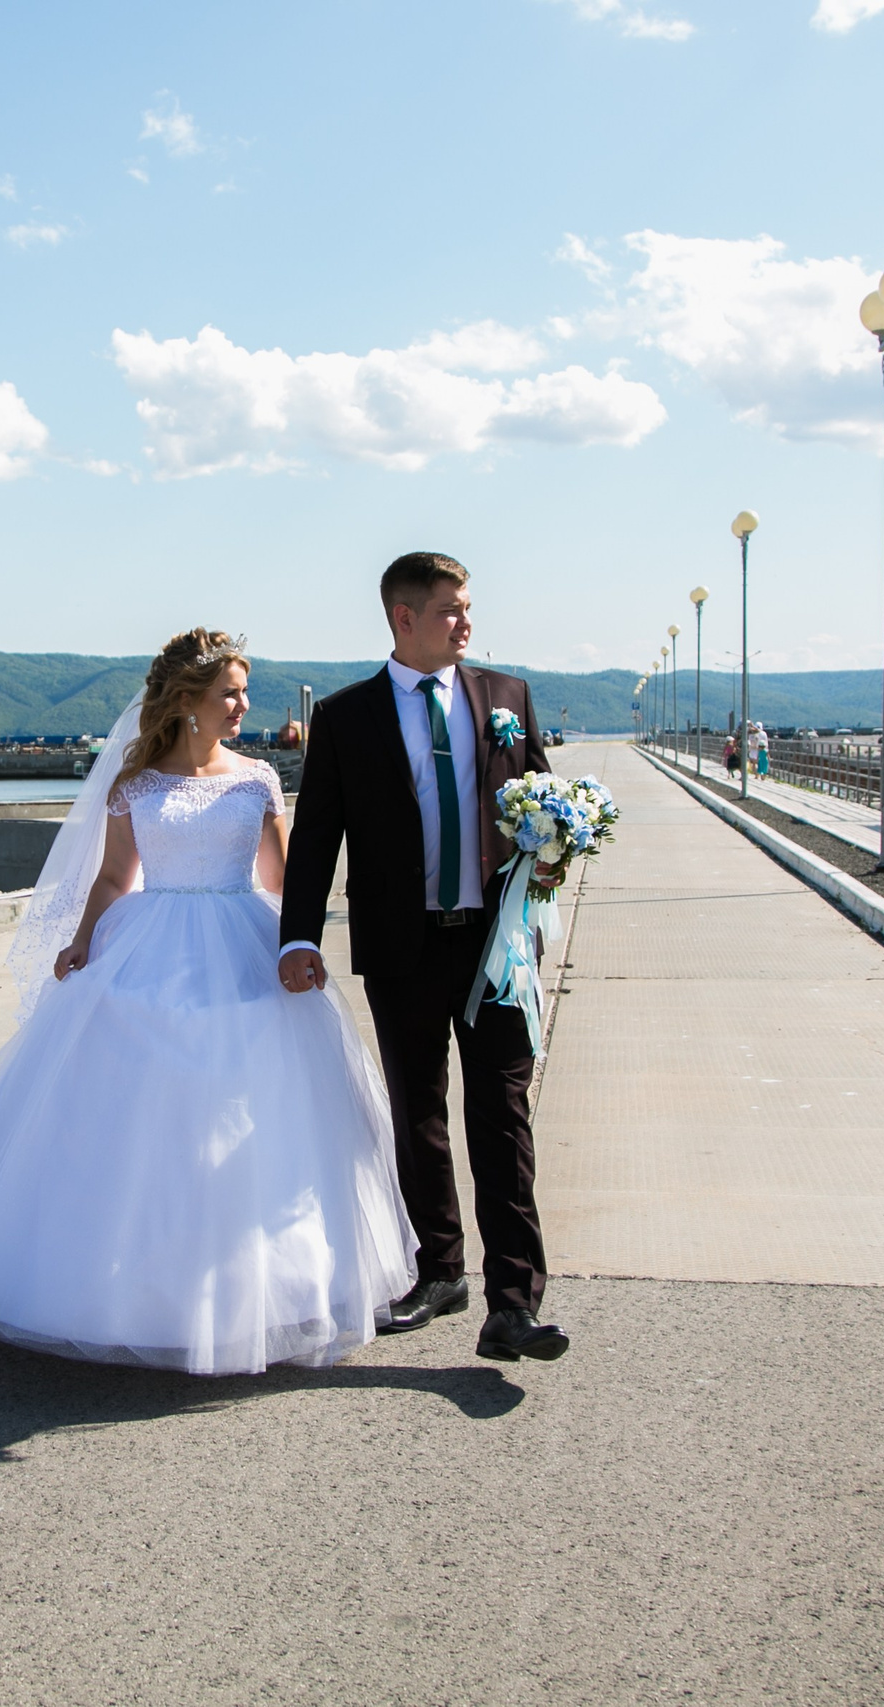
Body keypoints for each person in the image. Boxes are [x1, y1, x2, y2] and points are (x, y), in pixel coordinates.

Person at [0, 629, 416, 1375]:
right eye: (230, 693)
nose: (243, 706)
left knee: (244, 1110)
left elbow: (286, 884)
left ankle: (256, 1290)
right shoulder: (135, 786)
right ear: (187, 701)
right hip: (146, 944)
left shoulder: (257, 780)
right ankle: (120, 1287)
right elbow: (115, 877)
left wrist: (300, 947)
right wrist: (83, 940)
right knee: (125, 1114)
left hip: (240, 939)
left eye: (243, 692)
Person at [279, 553, 570, 1363]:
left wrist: (552, 857)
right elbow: (316, 838)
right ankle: (439, 1270)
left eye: (468, 606)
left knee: (504, 1115)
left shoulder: (506, 698)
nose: (465, 622)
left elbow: (544, 801)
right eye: (449, 609)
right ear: (403, 618)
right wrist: (298, 936)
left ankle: (515, 1301)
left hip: (493, 947)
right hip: (402, 946)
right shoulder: (347, 716)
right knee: (419, 1115)